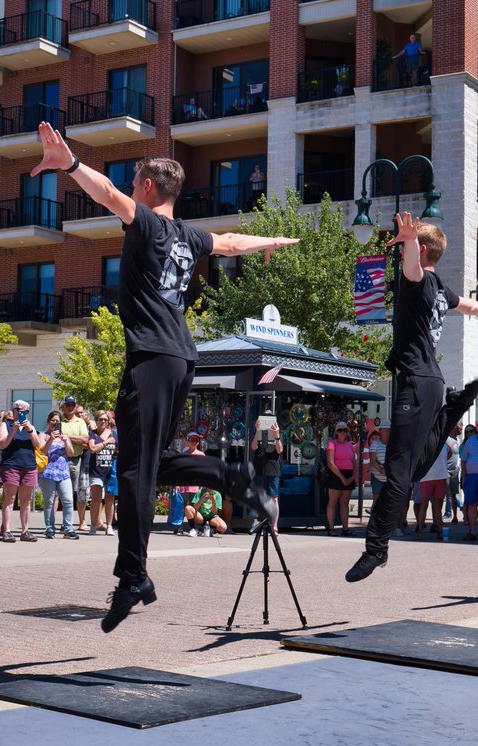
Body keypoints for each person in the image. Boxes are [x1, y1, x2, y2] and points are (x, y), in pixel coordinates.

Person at [33, 121, 295, 631]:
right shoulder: (192, 237)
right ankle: (233, 479)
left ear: (149, 187)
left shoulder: (149, 225)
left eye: (135, 183)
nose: (130, 190)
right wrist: (273, 240)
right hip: (179, 359)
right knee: (150, 465)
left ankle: (134, 576)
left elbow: (106, 194)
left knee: (134, 471)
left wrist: (70, 163)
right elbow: (232, 242)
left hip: (153, 358)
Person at [345, 212, 478, 582]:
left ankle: (376, 549)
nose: (398, 256)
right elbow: (468, 305)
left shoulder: (418, 280)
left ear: (422, 250)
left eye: (407, 249)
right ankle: (458, 403)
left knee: (398, 473)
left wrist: (408, 240)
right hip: (430, 383)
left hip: (416, 382)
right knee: (415, 469)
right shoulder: (440, 288)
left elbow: (411, 268)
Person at [0, 400, 45, 543]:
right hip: (11, 465)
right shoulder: (6, 425)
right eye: (18, 409)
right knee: (9, 499)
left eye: (25, 411)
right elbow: (2, 444)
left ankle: (25, 531)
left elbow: (38, 446)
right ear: (13, 410)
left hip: (29, 466)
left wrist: (30, 430)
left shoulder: (31, 427)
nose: (21, 412)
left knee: (26, 500)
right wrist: (13, 430)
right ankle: (7, 531)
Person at [38, 409, 78, 540]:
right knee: (49, 502)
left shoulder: (64, 437)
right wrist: (51, 439)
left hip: (63, 473)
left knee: (68, 501)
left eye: (57, 421)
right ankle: (50, 528)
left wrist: (66, 441)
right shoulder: (43, 435)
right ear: (48, 422)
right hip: (47, 474)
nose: (55, 423)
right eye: (52, 420)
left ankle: (68, 528)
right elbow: (42, 451)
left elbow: (71, 453)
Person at [58, 396, 91, 531]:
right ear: (63, 406)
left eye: (73, 405)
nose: (70, 407)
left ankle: (71, 522)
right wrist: (74, 439)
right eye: (68, 405)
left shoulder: (80, 422)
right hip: (59, 459)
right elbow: (55, 437)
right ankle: (64, 522)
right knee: (61, 493)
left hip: (75, 460)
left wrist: (66, 437)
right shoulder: (58, 420)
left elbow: (85, 440)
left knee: (74, 492)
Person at [250, 416, 283, 531]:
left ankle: (274, 526)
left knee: (274, 498)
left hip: (273, 469)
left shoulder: (277, 432)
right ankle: (259, 522)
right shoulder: (259, 432)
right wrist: (257, 430)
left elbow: (280, 450)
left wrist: (277, 435)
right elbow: (253, 447)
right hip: (259, 468)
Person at [87, 411, 117, 534]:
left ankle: (109, 526)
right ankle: (93, 525)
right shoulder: (92, 434)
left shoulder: (114, 434)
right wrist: (106, 442)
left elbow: (119, 450)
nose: (103, 421)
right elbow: (92, 449)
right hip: (96, 471)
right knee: (96, 500)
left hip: (111, 472)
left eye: (105, 419)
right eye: (100, 419)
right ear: (96, 420)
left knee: (110, 500)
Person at [325, 421, 357, 536]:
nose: (342, 432)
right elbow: (330, 463)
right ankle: (331, 528)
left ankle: (345, 528)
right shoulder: (331, 444)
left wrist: (352, 477)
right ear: (336, 432)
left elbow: (354, 462)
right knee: (332, 502)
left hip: (348, 474)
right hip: (336, 474)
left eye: (344, 430)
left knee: (345, 503)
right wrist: (342, 478)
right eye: (340, 430)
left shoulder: (350, 445)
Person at [413, 442, 451, 539]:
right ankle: (421, 532)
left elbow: (450, 453)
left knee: (436, 507)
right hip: (428, 477)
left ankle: (439, 531)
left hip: (439, 477)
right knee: (425, 505)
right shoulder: (425, 442)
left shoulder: (444, 443)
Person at [443, 424, 462, 523]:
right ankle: (447, 514)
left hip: (455, 471)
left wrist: (458, 465)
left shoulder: (458, 440)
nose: (461, 429)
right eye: (459, 428)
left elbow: (458, 455)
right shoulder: (446, 439)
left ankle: (455, 516)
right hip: (445, 470)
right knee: (447, 494)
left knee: (453, 494)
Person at [367, 421, 390, 503]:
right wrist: (382, 470)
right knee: (376, 500)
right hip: (377, 477)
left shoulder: (394, 444)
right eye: (385, 429)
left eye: (389, 429)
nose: (388, 431)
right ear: (380, 430)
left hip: (390, 478)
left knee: (389, 501)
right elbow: (372, 461)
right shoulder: (375, 444)